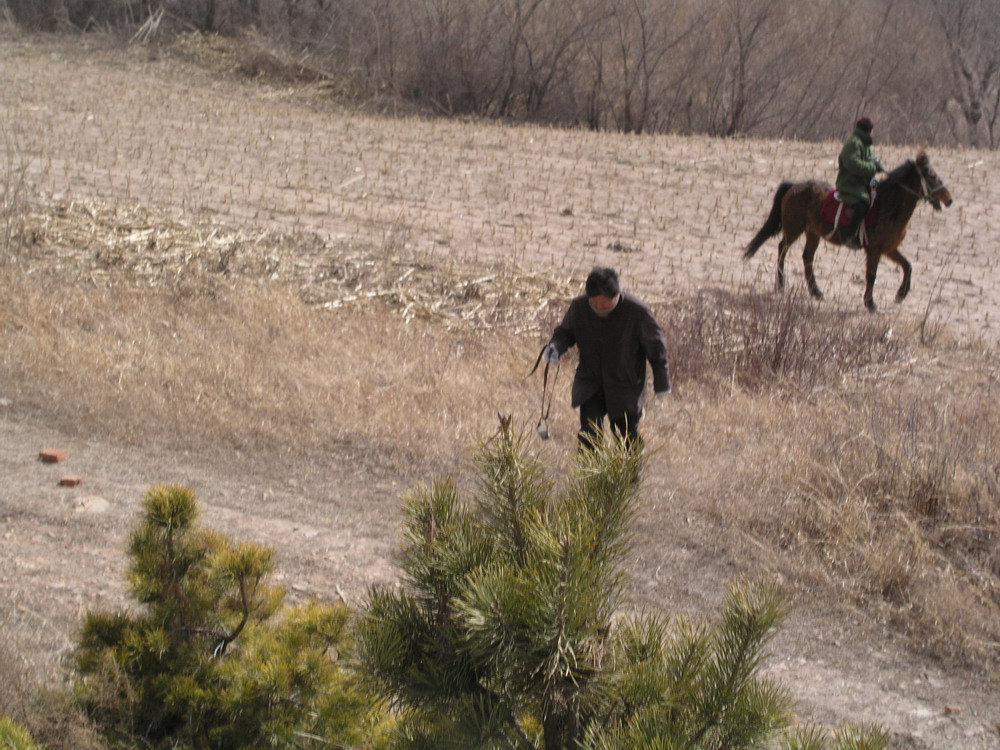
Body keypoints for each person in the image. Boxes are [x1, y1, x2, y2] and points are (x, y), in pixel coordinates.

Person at [542, 267, 670, 450]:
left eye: (605, 304)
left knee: (628, 441)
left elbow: (657, 347)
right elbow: (565, 332)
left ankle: (629, 479)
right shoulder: (579, 307)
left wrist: (662, 382)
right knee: (589, 437)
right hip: (590, 384)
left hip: (626, 387)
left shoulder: (637, 311)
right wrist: (555, 347)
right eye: (594, 303)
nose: (599, 308)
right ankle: (589, 478)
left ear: (617, 294)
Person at [836, 116, 886, 249]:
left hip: (862, 182)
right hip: (850, 184)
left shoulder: (865, 143)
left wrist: (880, 167)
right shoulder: (853, 143)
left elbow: (871, 159)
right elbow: (851, 163)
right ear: (869, 130)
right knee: (862, 203)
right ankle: (850, 236)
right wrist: (872, 168)